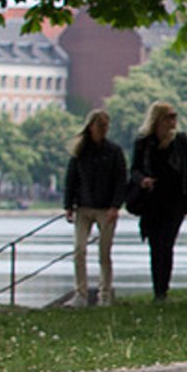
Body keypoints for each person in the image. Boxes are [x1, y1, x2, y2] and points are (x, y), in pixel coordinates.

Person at [131, 102, 187, 301]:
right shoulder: (144, 142)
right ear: (158, 119)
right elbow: (135, 169)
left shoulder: (180, 140)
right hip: (152, 200)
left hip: (175, 200)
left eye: (175, 116)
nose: (173, 120)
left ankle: (164, 290)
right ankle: (158, 291)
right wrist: (143, 180)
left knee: (167, 244)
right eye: (169, 116)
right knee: (156, 245)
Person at [64, 108, 127, 307]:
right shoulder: (80, 152)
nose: (104, 130)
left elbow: (120, 180)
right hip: (83, 207)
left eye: (106, 126)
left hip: (106, 208)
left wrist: (115, 206)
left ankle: (105, 295)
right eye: (101, 126)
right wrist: (68, 205)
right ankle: (80, 294)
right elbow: (71, 179)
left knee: (104, 253)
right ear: (91, 126)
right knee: (79, 250)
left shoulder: (114, 151)